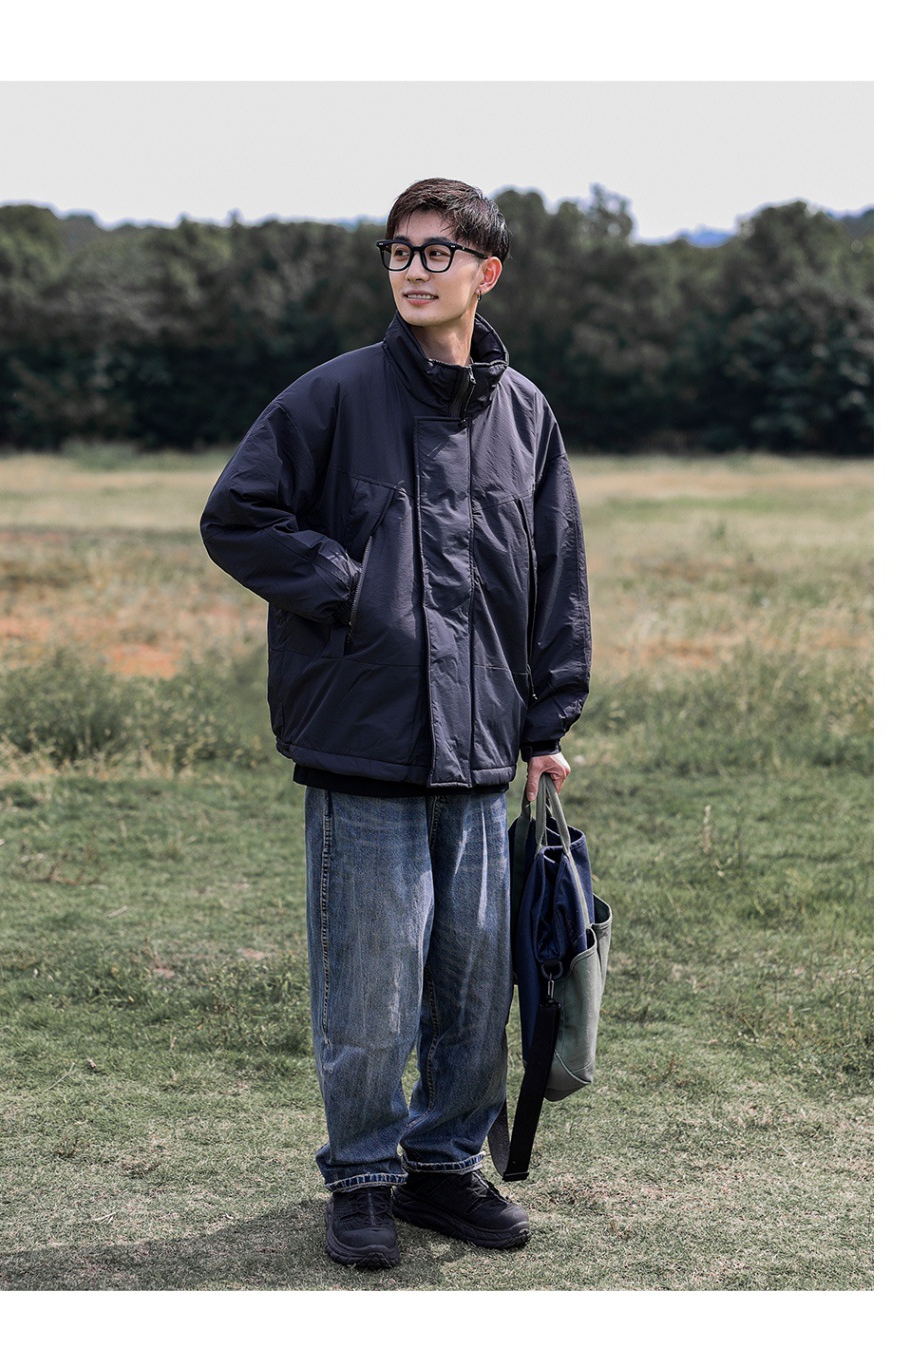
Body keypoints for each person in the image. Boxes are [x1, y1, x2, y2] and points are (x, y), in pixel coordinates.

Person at [200, 178, 591, 1270]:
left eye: (438, 251)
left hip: (480, 750)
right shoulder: (331, 395)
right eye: (399, 251)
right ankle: (364, 1177)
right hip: (361, 741)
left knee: (472, 986)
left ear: (485, 271)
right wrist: (349, 585)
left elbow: (555, 572)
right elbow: (236, 515)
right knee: (368, 985)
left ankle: (441, 1168)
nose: (415, 269)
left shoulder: (525, 415)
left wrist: (546, 719)